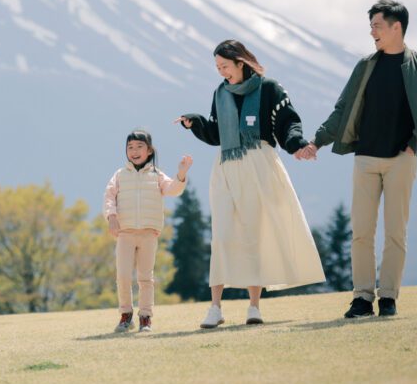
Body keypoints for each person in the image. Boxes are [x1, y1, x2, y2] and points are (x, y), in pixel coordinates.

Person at [301, 0, 417, 318]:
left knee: (395, 233)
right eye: (370, 27)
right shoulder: (365, 66)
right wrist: (317, 141)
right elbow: (343, 109)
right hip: (365, 158)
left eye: (377, 26)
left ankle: (389, 298)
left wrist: (415, 145)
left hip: (401, 159)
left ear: (397, 27)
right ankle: (362, 299)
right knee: (361, 233)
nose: (372, 32)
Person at [175, 40, 325, 328]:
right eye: (217, 67)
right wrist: (196, 122)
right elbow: (216, 133)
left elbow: (288, 122)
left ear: (240, 63)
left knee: (254, 234)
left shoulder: (269, 89)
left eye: (225, 66)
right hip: (226, 167)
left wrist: (297, 144)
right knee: (221, 235)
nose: (221, 72)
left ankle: (254, 306)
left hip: (259, 166)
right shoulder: (220, 93)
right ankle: (215, 308)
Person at [103, 129, 192, 333]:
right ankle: (126, 315)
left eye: (139, 147)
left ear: (149, 151)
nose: (134, 151)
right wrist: (112, 217)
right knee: (123, 276)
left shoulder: (156, 175)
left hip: (149, 234)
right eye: (130, 147)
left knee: (145, 278)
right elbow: (109, 197)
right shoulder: (119, 175)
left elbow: (173, 189)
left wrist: (181, 174)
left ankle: (145, 317)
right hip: (125, 233)